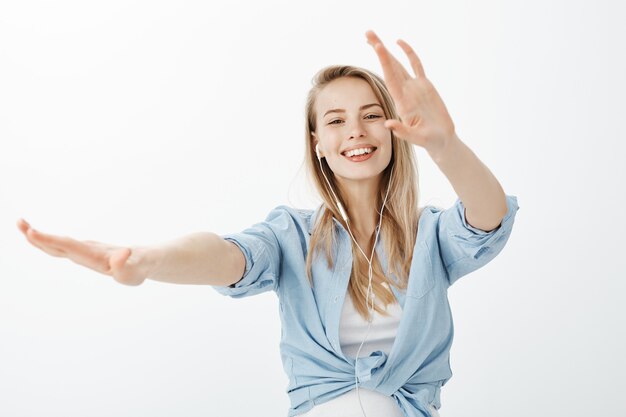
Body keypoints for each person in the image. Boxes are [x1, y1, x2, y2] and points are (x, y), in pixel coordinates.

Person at [17, 30, 519, 417]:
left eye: (371, 115)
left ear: (394, 132)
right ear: (317, 142)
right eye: (336, 120)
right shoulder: (290, 236)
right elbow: (226, 256)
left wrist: (445, 146)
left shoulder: (429, 234)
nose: (357, 131)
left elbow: (488, 221)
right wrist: (146, 261)